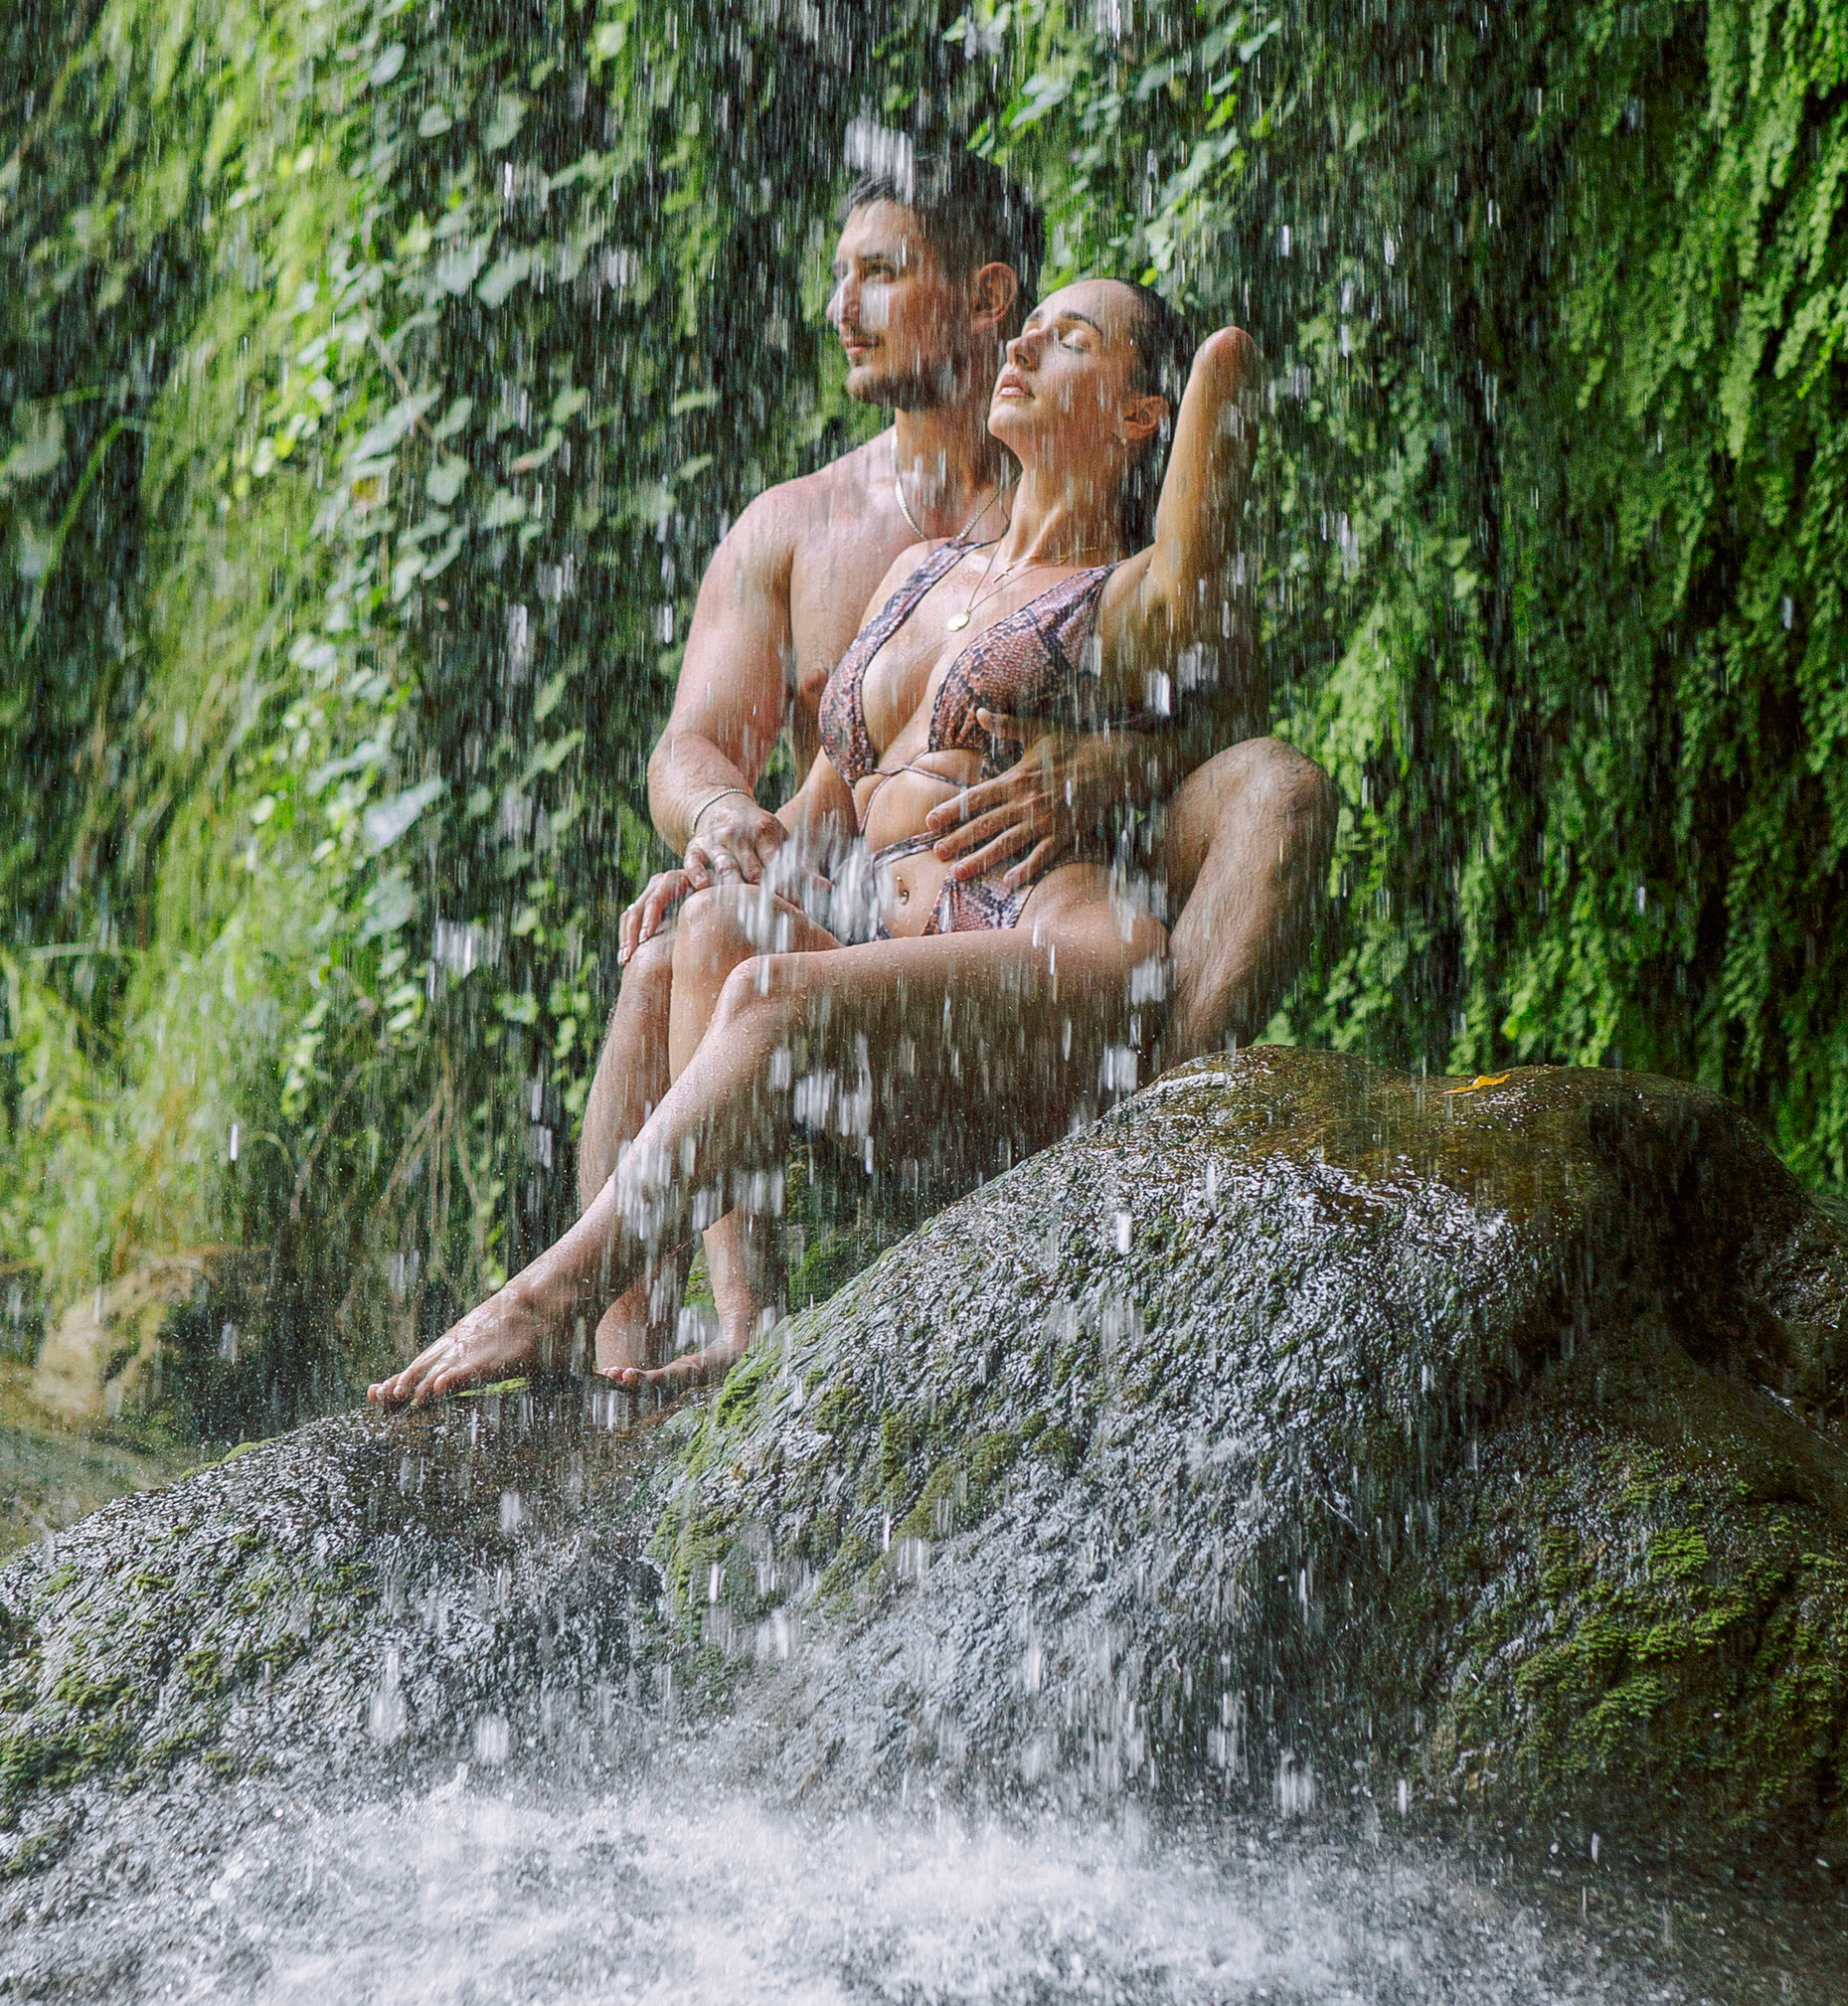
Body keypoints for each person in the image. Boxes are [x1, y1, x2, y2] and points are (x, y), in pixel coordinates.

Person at [373, 282, 1260, 1408]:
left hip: (1055, 956)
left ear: (1141, 418)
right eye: (1029, 325)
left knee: (767, 996)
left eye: (1070, 340)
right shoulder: (918, 574)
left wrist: (1216, 370)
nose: (1026, 341)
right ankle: (724, 1329)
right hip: (899, 971)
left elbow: (1196, 596)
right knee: (706, 934)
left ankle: (542, 1297)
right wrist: (726, 847)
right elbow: (830, 799)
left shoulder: (1116, 595)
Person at [581, 142, 1331, 1372]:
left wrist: (1119, 767)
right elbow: (698, 752)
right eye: (841, 277)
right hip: (868, 909)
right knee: (670, 946)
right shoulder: (804, 527)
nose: (843, 310)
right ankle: (630, 1380)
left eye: (879, 273)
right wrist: (721, 821)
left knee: (1278, 789)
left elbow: (1223, 682)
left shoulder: (1097, 462)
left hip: (1064, 906)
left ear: (983, 298)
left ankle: (1161, 1146)